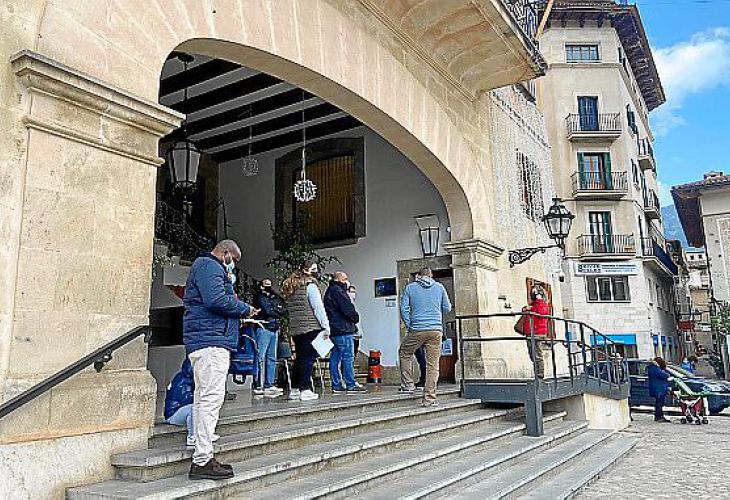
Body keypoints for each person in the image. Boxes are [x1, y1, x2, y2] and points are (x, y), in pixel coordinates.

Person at [183, 240, 257, 480]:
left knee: (203, 399)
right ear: (225, 253)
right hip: (211, 342)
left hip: (208, 339)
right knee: (211, 399)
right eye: (233, 259)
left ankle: (202, 455)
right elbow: (215, 300)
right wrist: (244, 309)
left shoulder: (206, 267)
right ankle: (202, 460)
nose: (233, 264)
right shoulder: (210, 266)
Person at [399, 267, 451, 406]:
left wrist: (409, 324)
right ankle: (429, 399)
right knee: (433, 365)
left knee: (405, 353)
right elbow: (447, 308)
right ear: (431, 275)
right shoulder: (439, 287)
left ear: (418, 276)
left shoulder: (410, 288)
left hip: (417, 328)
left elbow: (403, 309)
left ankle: (408, 384)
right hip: (435, 330)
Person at [282, 261, 330, 401]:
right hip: (310, 326)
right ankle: (305, 389)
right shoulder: (310, 286)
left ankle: (295, 389)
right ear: (307, 271)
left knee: (300, 359)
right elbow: (318, 308)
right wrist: (326, 326)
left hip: (296, 328)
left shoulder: (292, 288)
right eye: (314, 269)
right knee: (308, 359)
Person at [325, 272, 367, 394]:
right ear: (339, 280)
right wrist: (355, 318)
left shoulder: (330, 291)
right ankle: (350, 383)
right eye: (345, 279)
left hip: (334, 330)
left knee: (335, 357)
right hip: (343, 329)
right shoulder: (338, 291)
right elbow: (348, 309)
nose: (347, 281)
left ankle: (336, 384)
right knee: (348, 357)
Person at [252, 279, 285, 398]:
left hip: (274, 328)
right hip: (264, 327)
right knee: (260, 357)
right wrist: (275, 309)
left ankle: (269, 384)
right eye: (266, 285)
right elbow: (267, 310)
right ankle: (258, 383)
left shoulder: (274, 297)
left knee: (271, 357)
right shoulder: (259, 297)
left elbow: (282, 310)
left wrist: (274, 310)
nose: (268, 287)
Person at [164, 358, 196, 447]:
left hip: (180, 412)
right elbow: (187, 400)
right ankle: (192, 437)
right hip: (173, 414)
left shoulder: (189, 379)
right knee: (194, 408)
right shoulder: (182, 380)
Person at [523, 286, 550, 379]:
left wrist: (533, 306)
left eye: (534, 293)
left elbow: (541, 312)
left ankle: (540, 374)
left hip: (537, 332)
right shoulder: (534, 305)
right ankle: (537, 373)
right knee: (532, 354)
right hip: (531, 332)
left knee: (537, 354)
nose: (533, 295)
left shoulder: (542, 304)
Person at [648, 356, 673, 422]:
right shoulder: (655, 368)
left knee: (659, 403)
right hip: (659, 388)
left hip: (657, 388)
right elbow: (664, 375)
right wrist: (667, 373)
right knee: (659, 403)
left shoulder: (652, 368)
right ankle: (659, 416)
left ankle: (658, 416)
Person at [348, 284, 363, 358]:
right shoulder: (347, 305)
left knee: (353, 355)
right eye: (351, 292)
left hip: (356, 336)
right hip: (351, 335)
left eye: (354, 292)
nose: (353, 294)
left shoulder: (354, 305)